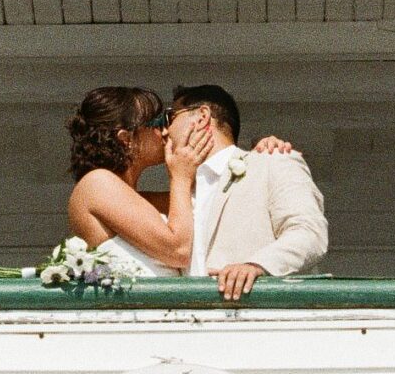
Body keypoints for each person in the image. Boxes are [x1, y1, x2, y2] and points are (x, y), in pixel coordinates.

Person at [64, 86, 306, 281]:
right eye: (156, 123)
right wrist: (179, 177)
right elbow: (178, 251)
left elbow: (213, 197)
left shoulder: (139, 199)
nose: (165, 131)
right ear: (127, 139)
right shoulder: (97, 183)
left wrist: (260, 156)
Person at [164, 83, 328, 303]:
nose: (164, 131)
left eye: (170, 117)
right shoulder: (180, 190)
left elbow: (309, 233)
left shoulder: (273, 161)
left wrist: (256, 265)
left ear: (202, 117)